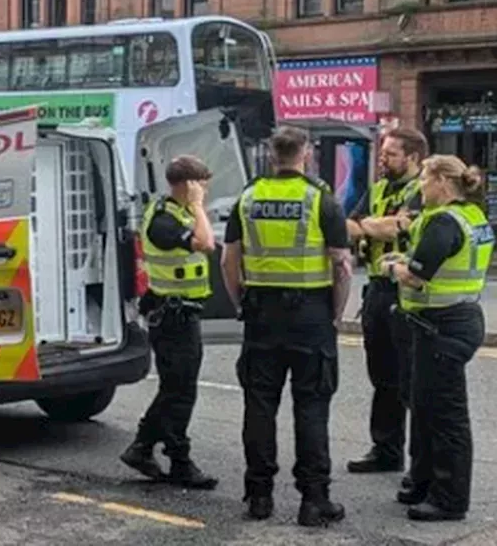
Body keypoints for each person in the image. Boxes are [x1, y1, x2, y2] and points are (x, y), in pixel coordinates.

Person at [221, 126, 354, 526]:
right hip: (311, 316)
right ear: (306, 154)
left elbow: (229, 261)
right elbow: (342, 265)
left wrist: (241, 302)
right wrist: (336, 313)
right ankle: (314, 500)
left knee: (259, 406)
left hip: (261, 316)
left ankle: (259, 496)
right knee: (311, 407)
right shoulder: (322, 200)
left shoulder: (248, 198)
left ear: (271, 155)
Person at [383, 155, 490, 522]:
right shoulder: (470, 215)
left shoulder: (444, 221)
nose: (421, 187)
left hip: (443, 326)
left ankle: (449, 499)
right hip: (453, 320)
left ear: (443, 181)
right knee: (425, 407)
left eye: (426, 180)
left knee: (446, 418)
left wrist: (392, 267)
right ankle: (423, 482)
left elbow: (416, 276)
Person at [120, 155, 218, 490]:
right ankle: (179, 460)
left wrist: (196, 209)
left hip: (181, 314)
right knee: (180, 392)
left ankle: (142, 448)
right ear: (188, 185)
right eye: (202, 183)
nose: (206, 190)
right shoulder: (164, 220)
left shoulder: (178, 213)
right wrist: (199, 207)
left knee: (175, 389)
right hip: (172, 317)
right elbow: (206, 244)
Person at [345, 128, 427, 481]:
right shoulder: (378, 189)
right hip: (377, 291)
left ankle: (420, 463)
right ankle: (386, 450)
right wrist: (373, 226)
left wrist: (370, 226)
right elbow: (348, 226)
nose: (383, 159)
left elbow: (400, 228)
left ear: (413, 158)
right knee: (382, 377)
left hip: (406, 292)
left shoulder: (423, 189)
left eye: (391, 154)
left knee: (411, 381)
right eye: (383, 152)